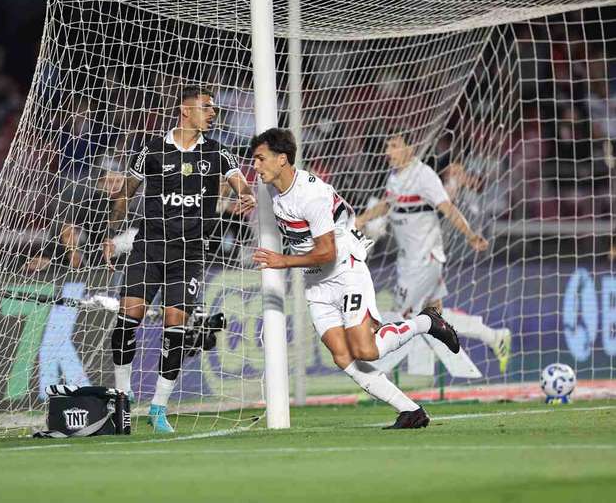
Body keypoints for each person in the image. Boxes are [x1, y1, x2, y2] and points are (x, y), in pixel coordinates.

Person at [250, 128, 459, 429]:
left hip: (345, 271)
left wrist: (283, 261)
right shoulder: (272, 186)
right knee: (342, 355)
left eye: (260, 159)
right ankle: (410, 411)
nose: (255, 166)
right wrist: (242, 196)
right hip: (316, 283)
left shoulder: (311, 194)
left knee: (365, 350)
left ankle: (427, 322)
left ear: (282, 159)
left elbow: (327, 252)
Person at [103, 86, 255, 433]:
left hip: (189, 254)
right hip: (150, 247)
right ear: (186, 111)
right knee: (130, 318)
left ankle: (158, 408)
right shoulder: (152, 150)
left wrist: (245, 196)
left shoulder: (218, 152)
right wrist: (112, 234)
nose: (213, 113)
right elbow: (127, 191)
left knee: (176, 327)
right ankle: (123, 399)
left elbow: (241, 183)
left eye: (213, 108)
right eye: (206, 108)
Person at [354, 132, 511, 372]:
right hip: (409, 260)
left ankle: (372, 377)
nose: (387, 152)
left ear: (410, 148)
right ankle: (493, 336)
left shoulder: (424, 176)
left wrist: (470, 236)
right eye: (387, 147)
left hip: (424, 261)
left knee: (401, 318)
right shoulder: (395, 175)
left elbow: (447, 208)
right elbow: (388, 204)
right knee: (435, 317)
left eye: (394, 146)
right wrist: (361, 220)